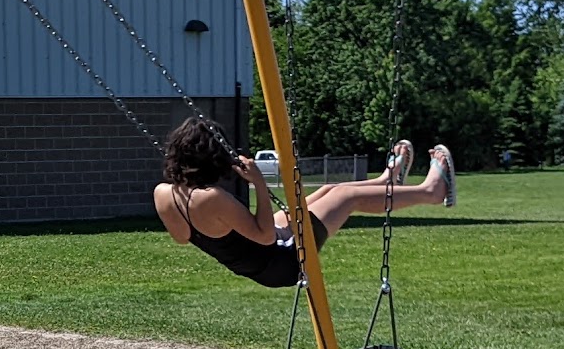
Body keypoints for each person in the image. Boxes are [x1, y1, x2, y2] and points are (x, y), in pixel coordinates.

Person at [153, 115, 455, 289]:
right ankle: (432, 191)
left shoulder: (163, 193)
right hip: (282, 262)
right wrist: (259, 183)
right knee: (346, 198)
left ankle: (386, 183)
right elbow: (265, 236)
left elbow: (181, 237)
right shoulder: (211, 198)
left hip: (262, 262)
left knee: (329, 189)